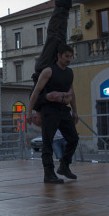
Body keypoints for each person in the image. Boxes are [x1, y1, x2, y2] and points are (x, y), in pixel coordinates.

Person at [27, 44, 79, 184]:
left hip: (63, 110)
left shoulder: (69, 72)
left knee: (73, 138)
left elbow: (72, 92)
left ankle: (64, 166)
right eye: (66, 56)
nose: (69, 59)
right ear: (59, 56)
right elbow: (36, 91)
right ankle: (48, 174)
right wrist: (29, 111)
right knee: (48, 142)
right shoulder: (48, 71)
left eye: (70, 56)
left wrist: (75, 110)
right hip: (49, 110)